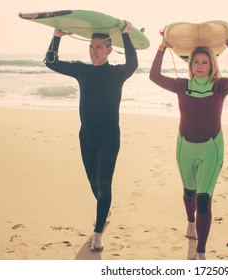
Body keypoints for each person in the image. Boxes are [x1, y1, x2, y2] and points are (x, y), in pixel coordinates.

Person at [149, 33, 228, 260]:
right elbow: (154, 76)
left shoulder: (220, 86)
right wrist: (162, 47)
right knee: (188, 194)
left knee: (203, 200)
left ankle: (201, 252)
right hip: (185, 147)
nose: (200, 65)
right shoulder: (181, 85)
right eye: (196, 61)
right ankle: (190, 223)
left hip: (211, 149)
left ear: (212, 65)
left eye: (205, 62)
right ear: (190, 65)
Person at [44, 21, 138, 251]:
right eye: (91, 46)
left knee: (104, 184)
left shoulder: (117, 73)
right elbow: (50, 62)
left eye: (98, 47)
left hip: (109, 137)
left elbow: (133, 63)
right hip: (86, 136)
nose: (93, 51)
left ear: (108, 50)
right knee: (94, 184)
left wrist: (126, 35)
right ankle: (104, 209)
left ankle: (98, 233)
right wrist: (57, 36)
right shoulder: (81, 70)